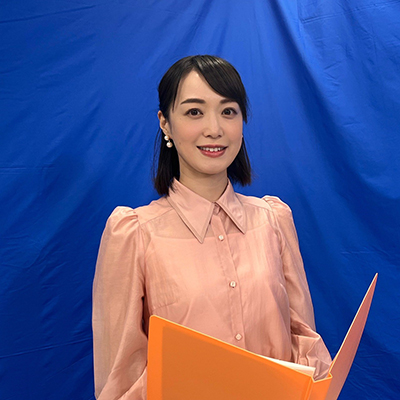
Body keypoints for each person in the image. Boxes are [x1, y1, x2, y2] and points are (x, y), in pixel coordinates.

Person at [92, 55, 332, 400]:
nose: (214, 128)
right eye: (194, 112)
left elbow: (305, 341)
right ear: (165, 123)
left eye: (228, 111)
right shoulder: (134, 234)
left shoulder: (273, 219)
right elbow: (121, 381)